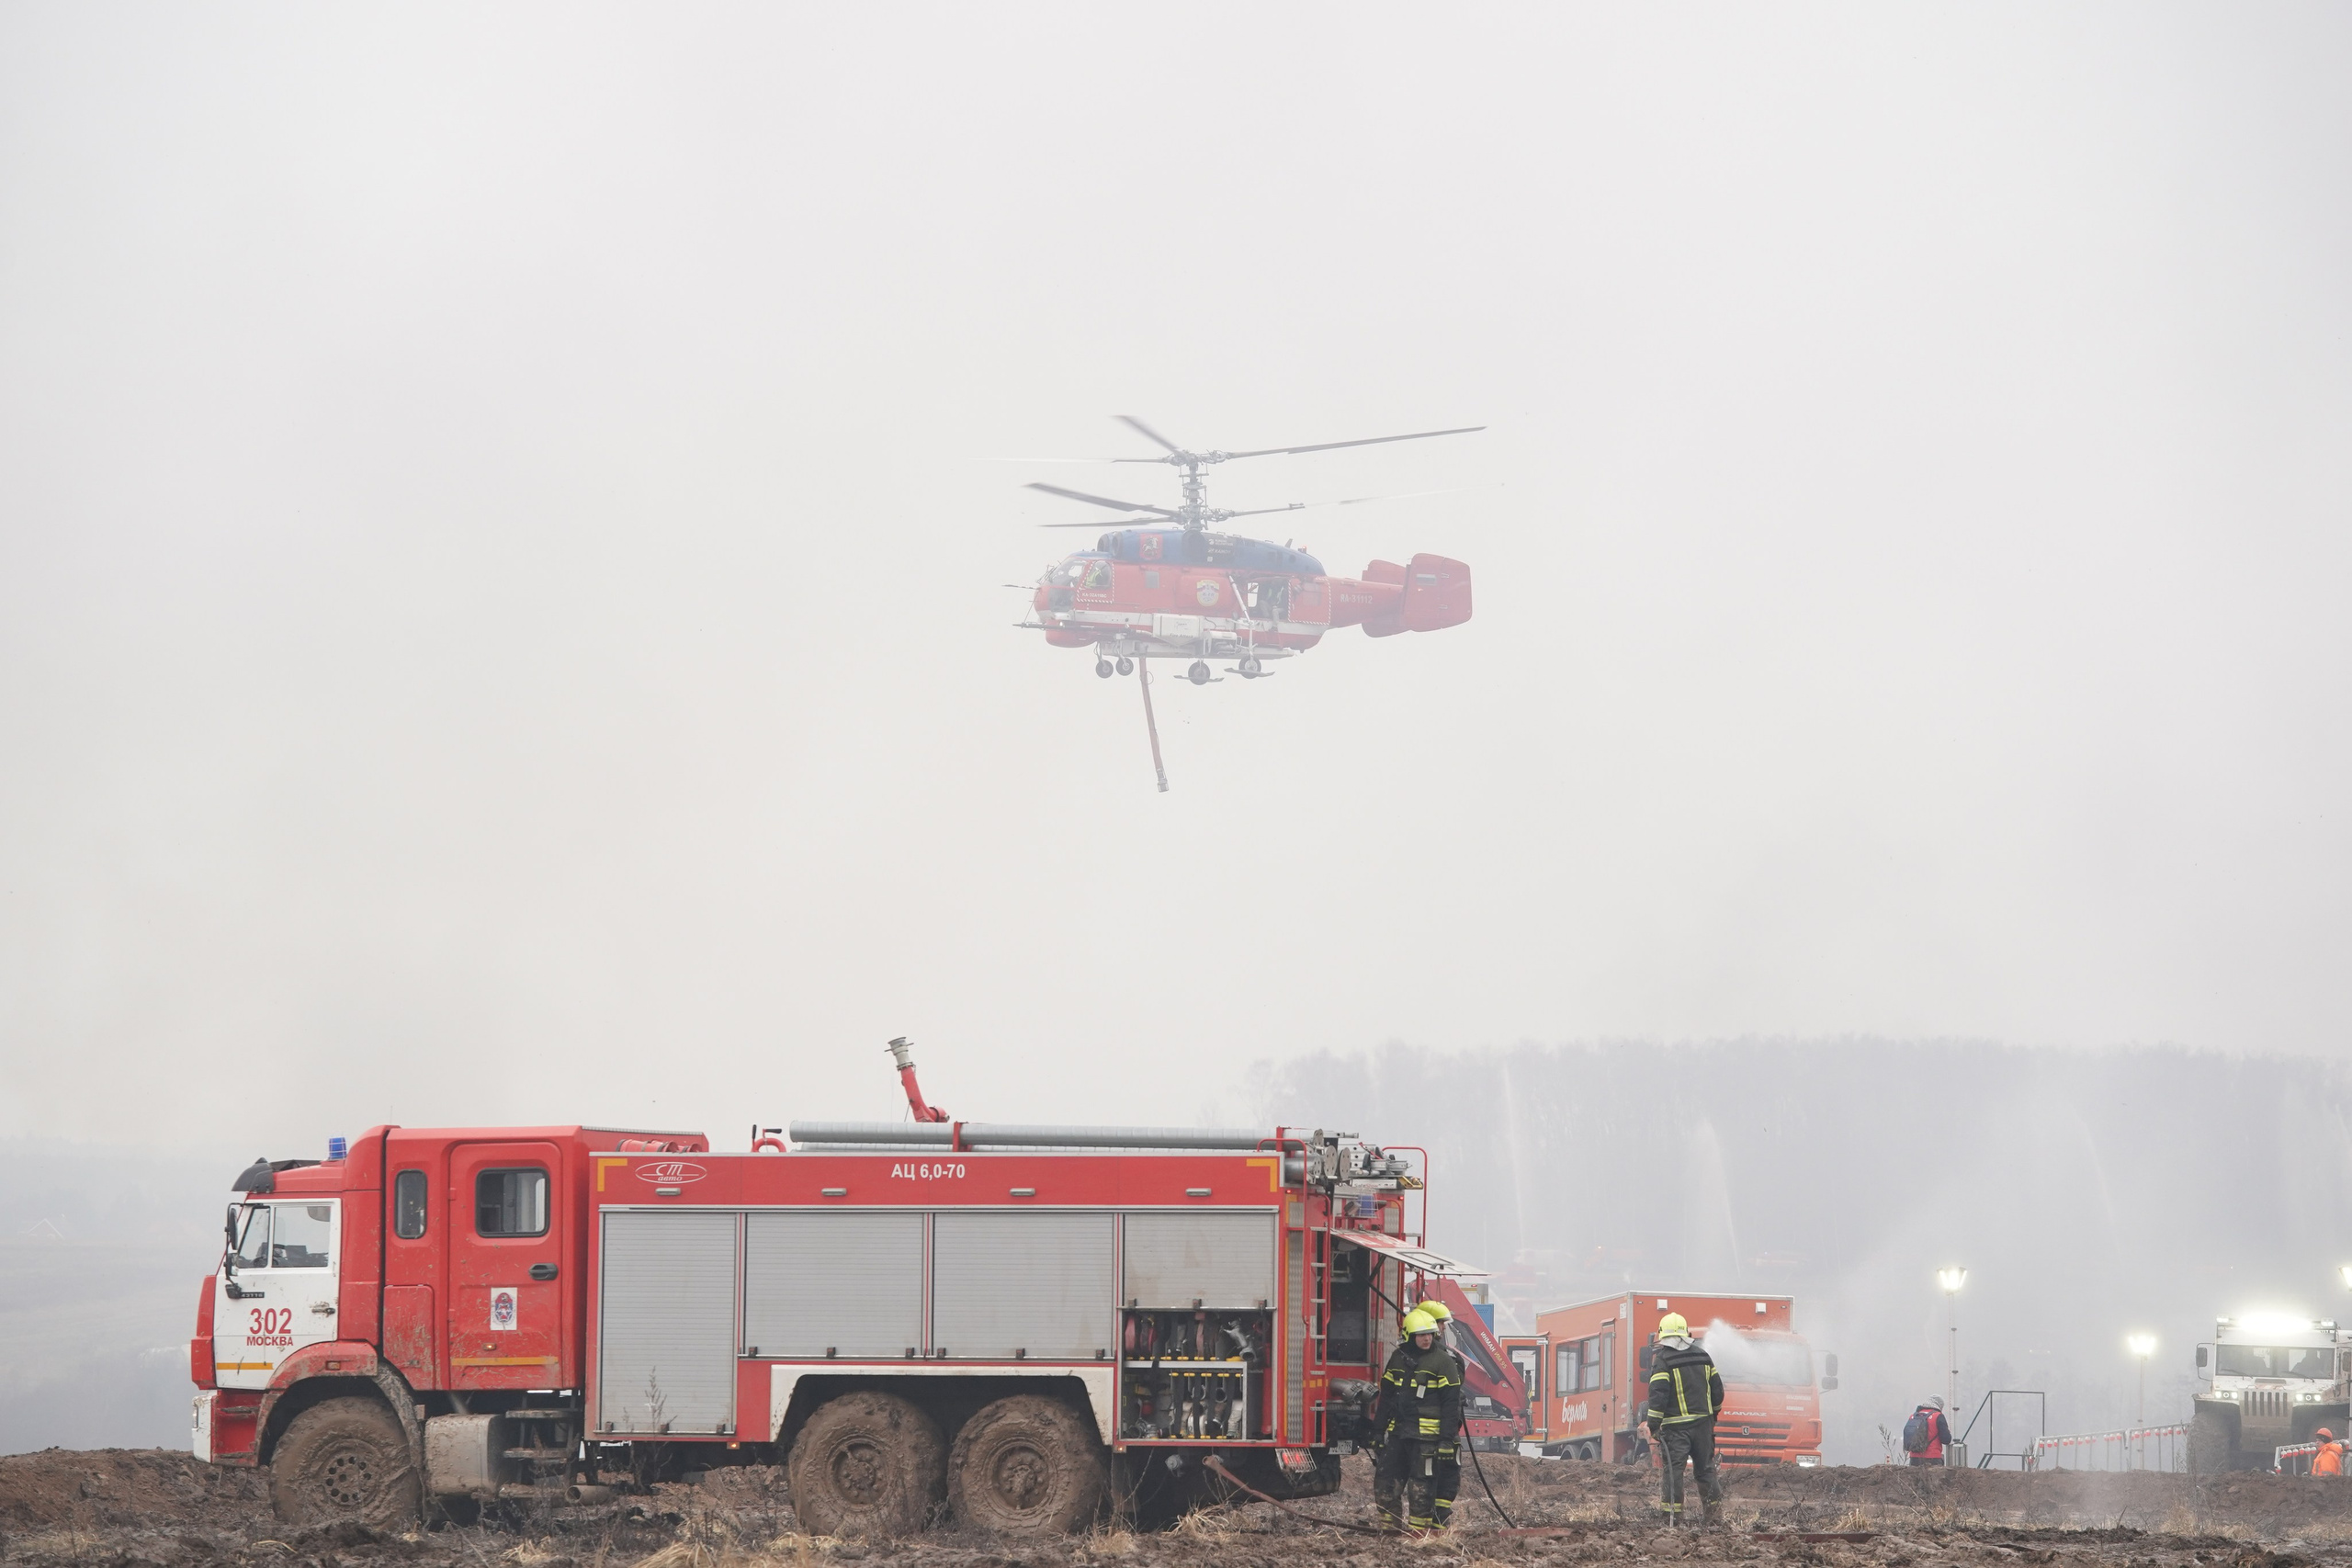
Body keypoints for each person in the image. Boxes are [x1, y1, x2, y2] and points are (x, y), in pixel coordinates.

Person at [1371, 1306, 1464, 1532]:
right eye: (1421, 1335)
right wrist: (1377, 1432)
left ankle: (1419, 1534)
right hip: (1400, 1433)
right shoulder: (1398, 1358)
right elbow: (1387, 1398)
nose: (1426, 1339)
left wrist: (1445, 1441)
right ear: (1409, 1336)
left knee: (1421, 1487)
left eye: (1430, 1334)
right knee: (1385, 1481)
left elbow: (1452, 1406)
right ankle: (1390, 1529)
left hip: (1427, 1439)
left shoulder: (1443, 1362)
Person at [1645, 1313, 1725, 1528]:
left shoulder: (1663, 1360)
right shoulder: (1703, 1356)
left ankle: (1671, 1521)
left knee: (1674, 1474)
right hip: (1703, 1427)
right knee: (1706, 1471)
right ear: (1686, 1334)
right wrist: (1713, 1415)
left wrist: (1653, 1425)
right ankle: (1715, 1519)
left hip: (1675, 1430)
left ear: (1663, 1337)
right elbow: (1717, 1391)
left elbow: (1658, 1395)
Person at [1904, 1398, 1954, 1467]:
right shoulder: (1938, 1416)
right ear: (1940, 1406)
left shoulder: (1913, 1416)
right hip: (1933, 1458)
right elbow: (1946, 1440)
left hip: (1914, 1458)